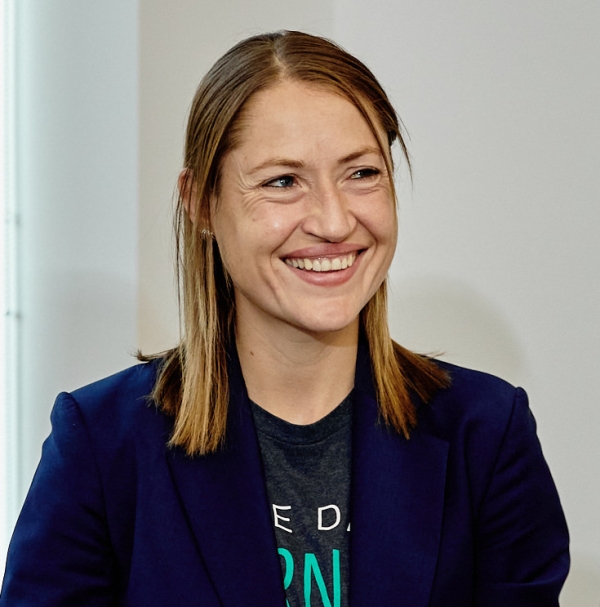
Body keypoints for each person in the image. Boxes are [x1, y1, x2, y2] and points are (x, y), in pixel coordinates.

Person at [1, 30, 569, 606]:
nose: (333, 219)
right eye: (282, 181)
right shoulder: (101, 447)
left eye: (362, 173)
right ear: (201, 203)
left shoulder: (489, 435)